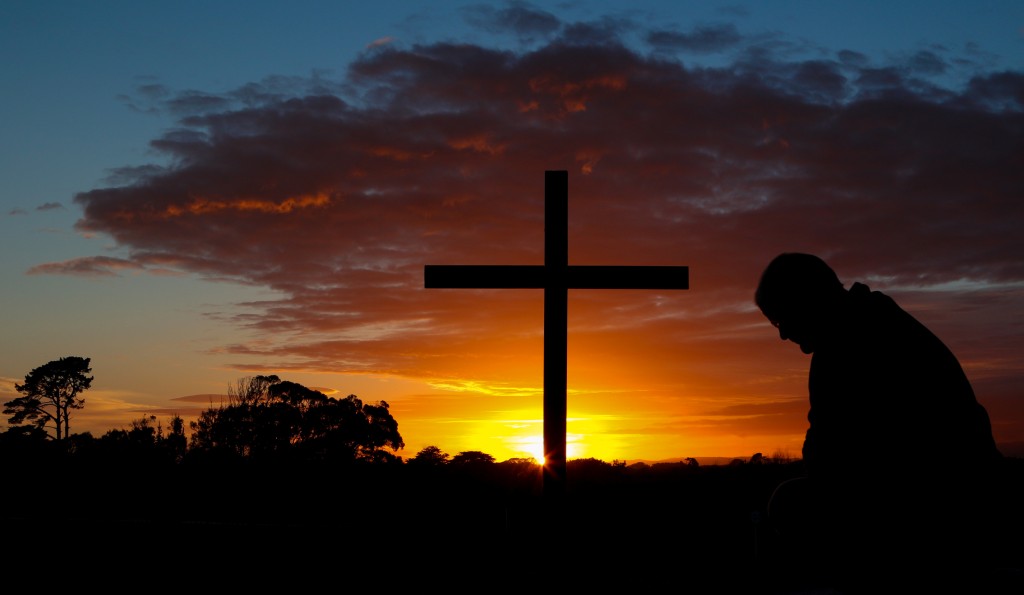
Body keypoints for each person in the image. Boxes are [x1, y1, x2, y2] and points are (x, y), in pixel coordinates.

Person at [754, 253, 1007, 591]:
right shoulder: (876, 322)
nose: (783, 334)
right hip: (963, 502)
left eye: (781, 318)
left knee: (790, 505)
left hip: (931, 513)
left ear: (806, 298)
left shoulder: (850, 345)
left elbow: (829, 457)